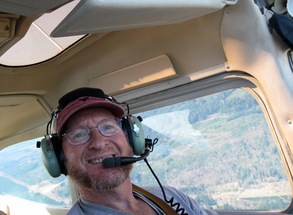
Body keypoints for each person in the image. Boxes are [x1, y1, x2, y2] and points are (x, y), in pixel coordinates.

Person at [55, 87, 218, 215]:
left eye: (108, 127)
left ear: (131, 138)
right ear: (60, 158)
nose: (99, 143)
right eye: (79, 134)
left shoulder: (170, 196)